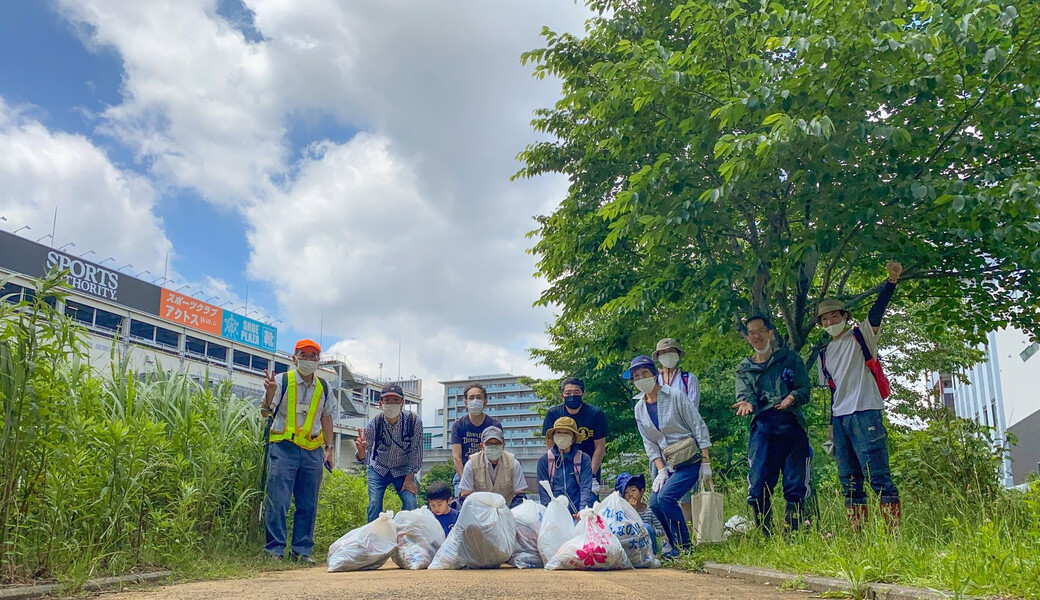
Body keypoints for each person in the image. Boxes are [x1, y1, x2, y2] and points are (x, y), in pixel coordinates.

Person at [817, 260, 903, 530]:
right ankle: (858, 534)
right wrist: (831, 428)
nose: (830, 321)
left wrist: (891, 282)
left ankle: (892, 534)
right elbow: (832, 392)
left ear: (844, 315)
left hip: (865, 411)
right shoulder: (823, 354)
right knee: (849, 479)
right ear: (821, 323)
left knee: (878, 475)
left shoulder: (861, 336)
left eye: (834, 315)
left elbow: (877, 312)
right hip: (841, 419)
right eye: (825, 318)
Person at [733, 315, 812, 536]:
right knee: (758, 486)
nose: (756, 336)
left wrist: (793, 397)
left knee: (795, 485)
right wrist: (747, 402)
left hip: (792, 426)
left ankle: (794, 534)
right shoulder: (744, 368)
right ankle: (766, 534)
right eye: (751, 333)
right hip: (763, 429)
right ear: (748, 338)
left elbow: (805, 389)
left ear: (770, 333)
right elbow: (745, 394)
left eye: (760, 331)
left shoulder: (790, 359)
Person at [626, 355, 712, 557]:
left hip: (690, 459)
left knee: (667, 498)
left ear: (655, 374)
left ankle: (685, 547)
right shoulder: (639, 408)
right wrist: (661, 470)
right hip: (667, 464)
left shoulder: (674, 396)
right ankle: (674, 546)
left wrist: (706, 461)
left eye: (645, 373)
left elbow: (697, 425)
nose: (641, 378)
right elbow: (650, 442)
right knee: (655, 503)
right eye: (636, 376)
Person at [259, 339, 336, 563]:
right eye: (304, 355)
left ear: (319, 361)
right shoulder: (282, 380)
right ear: (294, 359)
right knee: (278, 500)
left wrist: (329, 448)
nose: (309, 360)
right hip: (284, 448)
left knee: (308, 503)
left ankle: (301, 552)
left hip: (313, 450)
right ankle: (274, 550)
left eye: (313, 356)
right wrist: (271, 393)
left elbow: (327, 417)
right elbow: (265, 412)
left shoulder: (324, 386)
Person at [354, 383, 424, 524]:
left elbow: (416, 451)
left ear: (402, 403)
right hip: (379, 468)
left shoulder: (414, 422)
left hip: (404, 470)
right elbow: (364, 458)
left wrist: (410, 478)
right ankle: (374, 537)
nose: (391, 404)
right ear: (380, 403)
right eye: (387, 401)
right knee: (374, 503)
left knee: (410, 503)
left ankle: (407, 535)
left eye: (395, 401)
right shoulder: (374, 423)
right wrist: (361, 451)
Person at [652, 337, 700, 521]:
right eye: (663, 353)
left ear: (678, 355)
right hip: (660, 444)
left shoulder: (688, 379)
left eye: (671, 352)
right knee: (660, 490)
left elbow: (692, 410)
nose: (667, 356)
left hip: (684, 442)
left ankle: (690, 531)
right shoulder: (653, 380)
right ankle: (671, 535)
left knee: (686, 494)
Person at [541, 378, 609, 496]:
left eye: (576, 392)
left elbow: (600, 447)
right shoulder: (553, 414)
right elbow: (550, 445)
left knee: (588, 504)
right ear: (562, 395)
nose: (572, 395)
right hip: (562, 466)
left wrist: (591, 475)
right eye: (568, 393)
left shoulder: (595, 414)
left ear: (583, 393)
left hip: (588, 466)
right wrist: (557, 472)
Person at [450, 383, 502, 496]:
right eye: (471, 398)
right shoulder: (458, 425)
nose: (475, 401)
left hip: (488, 476)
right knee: (464, 507)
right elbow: (456, 457)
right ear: (466, 403)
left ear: (485, 402)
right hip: (463, 474)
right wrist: (465, 482)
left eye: (479, 397)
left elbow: (498, 454)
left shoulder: (494, 425)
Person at [459, 426, 528, 508]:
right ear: (482, 446)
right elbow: (465, 494)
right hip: (479, 512)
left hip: (506, 511)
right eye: (489, 444)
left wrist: (510, 513)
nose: (493, 447)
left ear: (503, 445)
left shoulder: (513, 464)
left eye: (497, 443)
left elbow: (520, 495)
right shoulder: (471, 464)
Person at [537, 416, 594, 513]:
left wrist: (582, 512)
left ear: (573, 438)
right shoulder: (544, 460)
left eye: (567, 433)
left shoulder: (583, 459)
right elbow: (544, 493)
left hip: (576, 513)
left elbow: (586, 487)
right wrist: (549, 513)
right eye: (559, 432)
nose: (562, 436)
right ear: (554, 436)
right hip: (554, 513)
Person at [615, 472, 670, 555]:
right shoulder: (621, 511)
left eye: (633, 490)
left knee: (646, 527)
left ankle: (652, 555)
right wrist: (631, 512)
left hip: (647, 547)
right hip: (630, 547)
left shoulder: (649, 510)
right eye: (626, 492)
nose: (630, 494)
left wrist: (648, 530)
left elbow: (662, 531)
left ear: (641, 492)